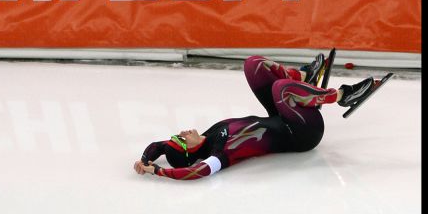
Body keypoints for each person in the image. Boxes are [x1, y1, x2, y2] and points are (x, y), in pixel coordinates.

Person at [133, 52, 388, 180]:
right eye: (182, 139)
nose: (184, 131)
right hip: (302, 135)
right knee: (280, 89)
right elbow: (195, 172)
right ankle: (345, 95)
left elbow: (159, 146)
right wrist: (158, 172)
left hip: (283, 117)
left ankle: (303, 78)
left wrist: (145, 159)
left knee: (252, 64)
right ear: (190, 151)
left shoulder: (208, 134)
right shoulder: (220, 154)